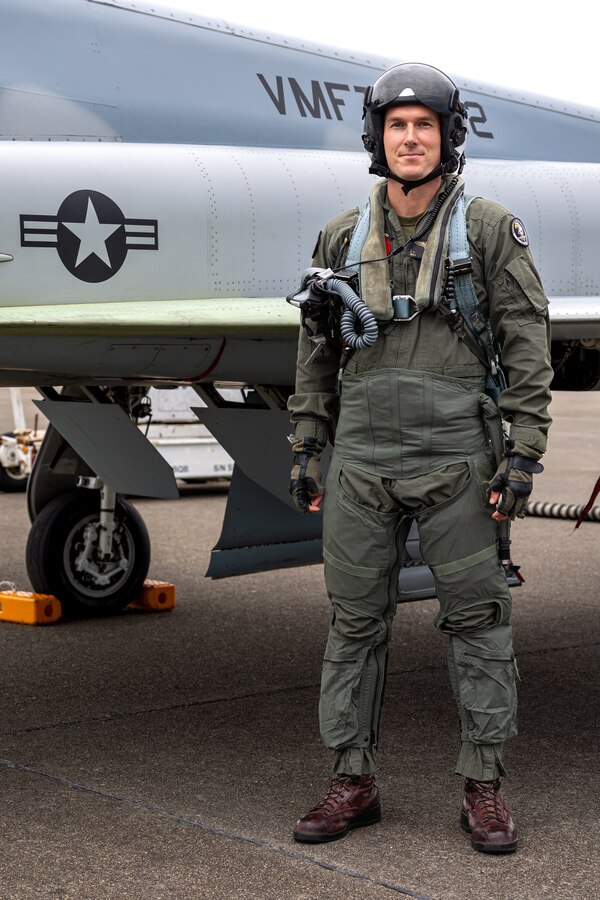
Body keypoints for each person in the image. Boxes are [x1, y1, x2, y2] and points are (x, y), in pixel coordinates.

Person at [286, 62, 553, 854]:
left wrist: (524, 454)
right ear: (378, 137)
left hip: (457, 460)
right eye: (397, 125)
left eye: (424, 125)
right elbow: (317, 349)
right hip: (363, 461)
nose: (410, 138)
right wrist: (307, 442)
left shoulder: (489, 230)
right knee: (353, 624)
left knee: (477, 623)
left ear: (446, 136)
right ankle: (352, 779)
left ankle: (484, 786)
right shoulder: (341, 236)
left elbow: (527, 348)